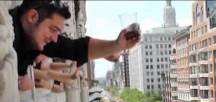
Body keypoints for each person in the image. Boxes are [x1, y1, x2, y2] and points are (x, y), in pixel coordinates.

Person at [10, 0, 141, 91]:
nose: (55, 39)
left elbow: (75, 48)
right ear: (32, 16)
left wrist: (117, 45)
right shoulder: (6, 31)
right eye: (53, 29)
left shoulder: (35, 38)